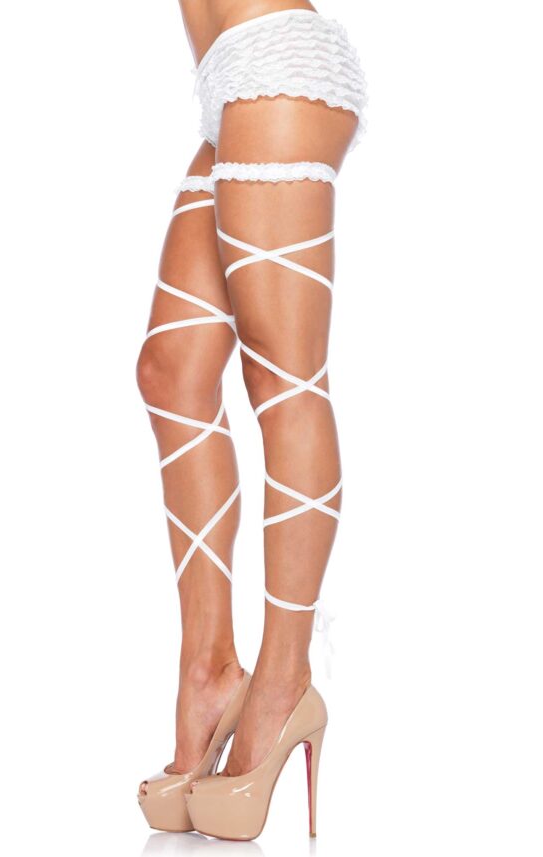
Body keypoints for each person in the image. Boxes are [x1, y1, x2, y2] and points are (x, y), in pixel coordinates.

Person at [136, 0, 367, 840]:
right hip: (226, 79)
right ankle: (209, 671)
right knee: (171, 373)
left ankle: (283, 681)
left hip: (278, 63)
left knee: (283, 370)